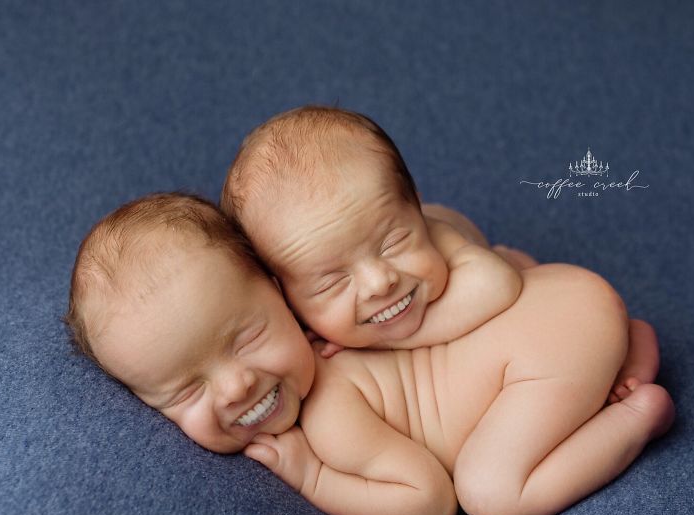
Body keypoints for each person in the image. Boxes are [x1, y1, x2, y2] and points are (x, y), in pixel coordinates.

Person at [65, 193, 675, 515]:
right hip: (562, 293)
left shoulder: (331, 415)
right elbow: (442, 216)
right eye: (186, 391)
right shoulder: (349, 306)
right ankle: (629, 345)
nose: (235, 387)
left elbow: (428, 500)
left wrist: (313, 477)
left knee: (490, 492)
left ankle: (637, 415)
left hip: (552, 354)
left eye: (246, 339)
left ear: (281, 289)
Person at [221, 105, 537, 356]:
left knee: (522, 278)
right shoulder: (290, 314)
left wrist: (380, 343)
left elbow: (497, 285)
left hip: (474, 251)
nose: (379, 283)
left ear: (415, 206)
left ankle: (505, 253)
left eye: (393, 244)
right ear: (284, 298)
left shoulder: (437, 234)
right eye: (333, 282)